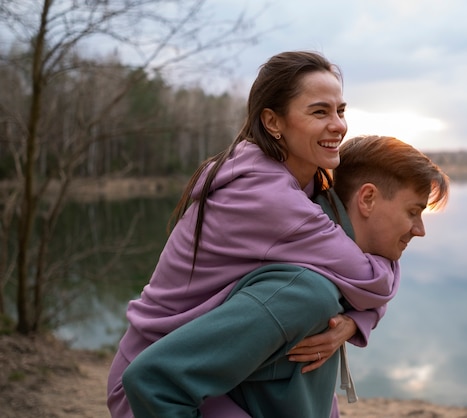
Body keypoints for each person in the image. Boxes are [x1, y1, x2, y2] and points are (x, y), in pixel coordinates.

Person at [107, 51, 399, 418]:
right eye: (319, 112)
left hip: (219, 369)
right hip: (161, 381)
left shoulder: (306, 185)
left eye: (341, 110)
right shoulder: (266, 196)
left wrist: (355, 321)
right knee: (315, 293)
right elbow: (371, 279)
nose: (338, 125)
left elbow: (373, 261)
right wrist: (362, 312)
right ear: (273, 122)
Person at [122, 135, 450, 418]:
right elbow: (154, 380)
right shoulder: (303, 290)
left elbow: (381, 277)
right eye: (413, 211)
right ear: (367, 198)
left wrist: (355, 319)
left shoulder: (341, 264)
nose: (420, 230)